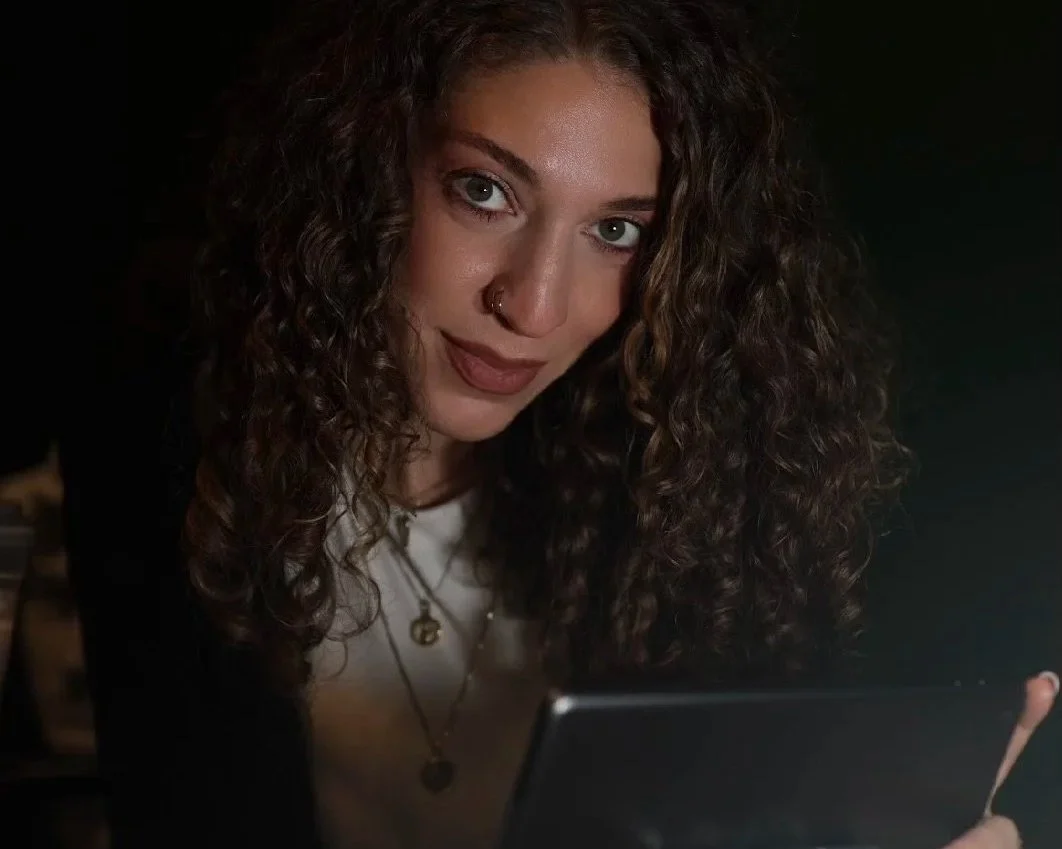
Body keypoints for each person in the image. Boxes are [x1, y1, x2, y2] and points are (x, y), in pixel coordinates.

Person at [101, 1, 1056, 847]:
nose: (536, 305)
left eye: (618, 231)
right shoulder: (152, 498)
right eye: (485, 191)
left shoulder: (689, 523)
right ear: (360, 172)